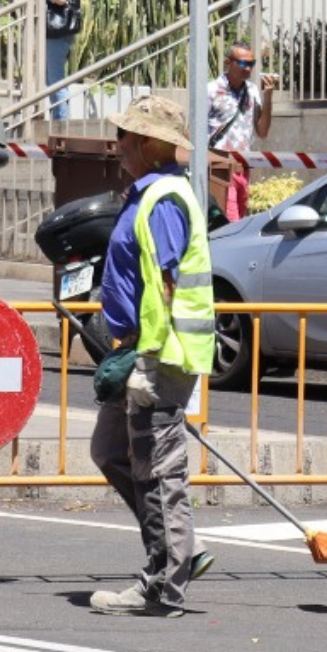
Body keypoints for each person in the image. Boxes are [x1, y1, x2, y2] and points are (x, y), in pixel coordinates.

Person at [87, 96, 217, 618]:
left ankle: (164, 583)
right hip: (141, 350)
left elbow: (164, 288)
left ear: (147, 144)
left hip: (160, 356)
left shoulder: (163, 199)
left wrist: (147, 359)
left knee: (159, 472)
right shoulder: (146, 194)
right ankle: (184, 550)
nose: (117, 145)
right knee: (111, 450)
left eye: (124, 137)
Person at [205, 43, 277, 220]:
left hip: (243, 165)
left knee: (240, 217)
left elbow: (262, 131)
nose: (248, 69)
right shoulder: (212, 90)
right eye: (243, 64)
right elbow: (193, 127)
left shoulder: (252, 91)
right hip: (219, 165)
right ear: (229, 62)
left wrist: (268, 97)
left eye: (251, 64)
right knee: (229, 220)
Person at [36, 0, 75, 120]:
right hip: (52, 32)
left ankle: (61, 122)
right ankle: (58, 118)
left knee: (56, 79)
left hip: (57, 33)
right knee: (51, 79)